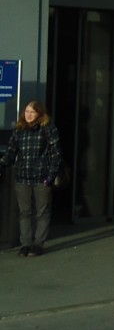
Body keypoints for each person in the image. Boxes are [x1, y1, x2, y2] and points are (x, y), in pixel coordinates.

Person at [1, 100, 63, 257]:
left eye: (32, 112)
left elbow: (56, 154)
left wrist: (51, 175)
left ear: (40, 114)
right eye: (27, 111)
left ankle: (38, 244)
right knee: (24, 212)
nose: (28, 115)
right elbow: (10, 152)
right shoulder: (19, 130)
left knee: (42, 212)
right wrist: (2, 164)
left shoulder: (48, 129)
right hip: (23, 177)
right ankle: (25, 244)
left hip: (42, 177)